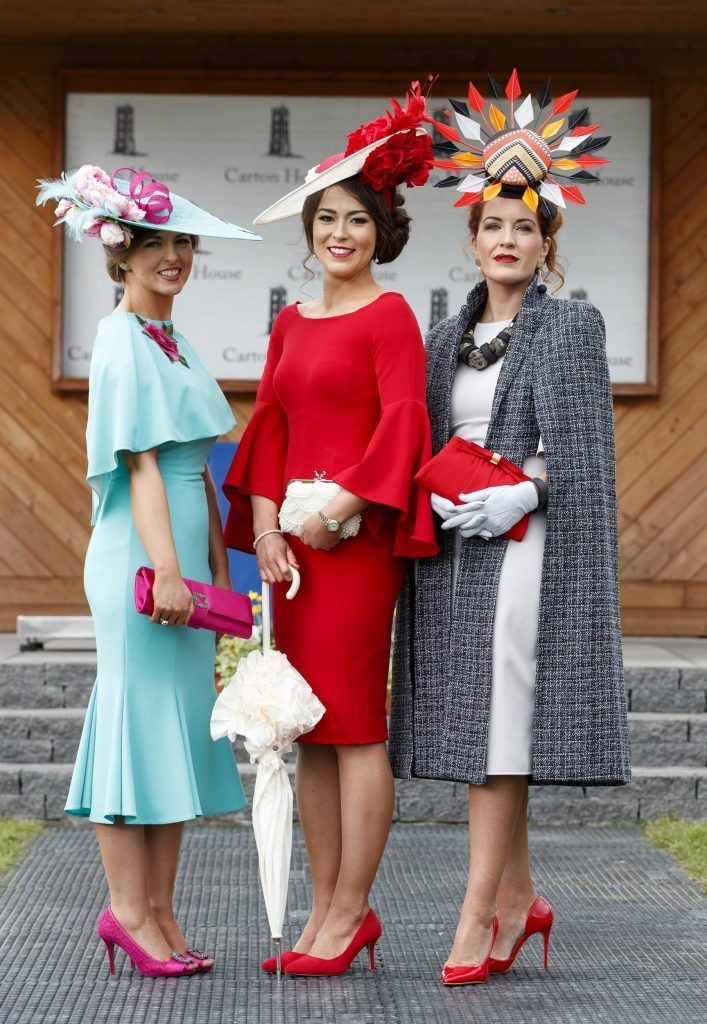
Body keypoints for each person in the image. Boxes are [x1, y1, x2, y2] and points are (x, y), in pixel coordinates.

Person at [389, 70, 631, 986]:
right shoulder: (439, 335)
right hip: (455, 548)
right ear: (472, 235)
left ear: (544, 241)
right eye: (492, 224)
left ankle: (474, 916)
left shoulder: (570, 327)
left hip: (524, 549)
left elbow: (586, 460)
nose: (506, 239)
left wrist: (522, 493)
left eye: (523, 226)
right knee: (485, 729)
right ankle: (520, 898)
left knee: (497, 735)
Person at [223, 85, 439, 977]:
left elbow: (404, 425)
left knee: (353, 725)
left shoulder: (389, 318)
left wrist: (336, 507)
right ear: (309, 231)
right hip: (293, 553)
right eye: (326, 219)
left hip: (352, 548)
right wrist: (269, 527)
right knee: (305, 727)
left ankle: (351, 910)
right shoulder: (290, 321)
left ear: (380, 230)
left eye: (356, 219)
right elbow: (269, 423)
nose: (339, 234)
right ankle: (322, 914)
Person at [37, 165, 261, 977]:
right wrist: (169, 571)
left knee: (171, 735)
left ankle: (162, 912)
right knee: (137, 727)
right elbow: (139, 467)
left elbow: (195, 465)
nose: (174, 256)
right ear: (121, 251)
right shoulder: (121, 336)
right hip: (139, 555)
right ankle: (127, 911)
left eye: (184, 244)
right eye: (158, 242)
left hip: (181, 556)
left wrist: (220, 574)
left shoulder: (172, 338)